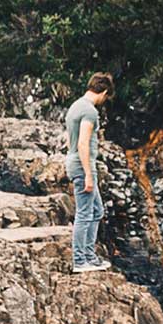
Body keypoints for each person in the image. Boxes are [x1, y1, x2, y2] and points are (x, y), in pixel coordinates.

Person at [64, 71, 113, 272]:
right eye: (106, 97)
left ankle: (89, 256)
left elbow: (70, 140)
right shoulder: (89, 111)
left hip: (75, 162)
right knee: (84, 214)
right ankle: (80, 261)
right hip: (83, 166)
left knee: (96, 210)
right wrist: (88, 174)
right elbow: (83, 143)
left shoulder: (75, 107)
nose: (105, 101)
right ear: (104, 92)